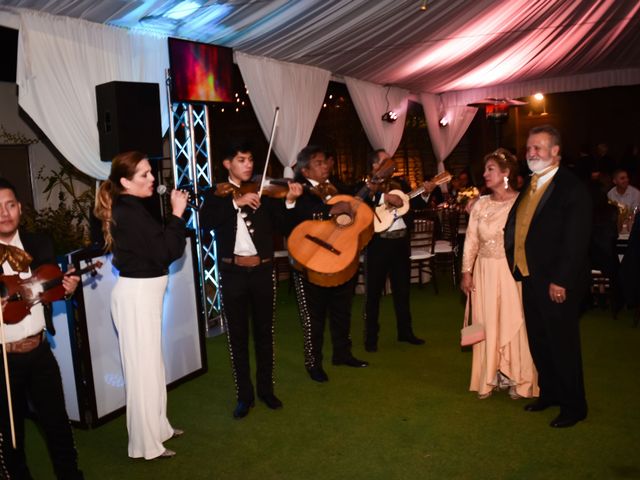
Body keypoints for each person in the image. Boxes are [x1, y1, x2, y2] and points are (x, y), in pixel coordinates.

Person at [94, 151, 188, 459]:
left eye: (150, 172)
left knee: (152, 366)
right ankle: (145, 445)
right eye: (144, 175)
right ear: (125, 182)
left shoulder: (133, 207)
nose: (152, 179)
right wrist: (176, 215)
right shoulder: (129, 211)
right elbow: (165, 250)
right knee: (141, 371)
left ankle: (158, 428)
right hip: (136, 296)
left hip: (144, 294)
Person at [199, 144, 302, 419]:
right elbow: (205, 221)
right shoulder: (216, 194)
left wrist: (290, 201)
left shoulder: (265, 193)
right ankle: (244, 396)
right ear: (227, 163)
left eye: (251, 159)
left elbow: (285, 226)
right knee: (238, 336)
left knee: (264, 333)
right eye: (241, 159)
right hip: (232, 274)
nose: (248, 165)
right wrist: (235, 202)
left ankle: (266, 390)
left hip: (262, 273)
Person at [504, 125, 591, 428]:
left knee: (562, 344)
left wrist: (562, 279)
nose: (531, 153)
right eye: (529, 148)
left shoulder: (572, 188)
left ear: (556, 151)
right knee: (540, 341)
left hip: (556, 282)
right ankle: (550, 393)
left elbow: (576, 240)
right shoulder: (531, 183)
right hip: (531, 277)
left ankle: (574, 406)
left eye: (538, 148)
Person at [0, 178, 84, 479]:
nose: (4, 213)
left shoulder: (40, 244)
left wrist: (69, 287)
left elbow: (50, 288)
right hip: (3, 360)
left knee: (57, 424)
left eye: (10, 205)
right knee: (10, 437)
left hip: (39, 350)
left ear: (20, 208)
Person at [460, 149, 538, 400]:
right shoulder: (480, 204)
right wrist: (466, 272)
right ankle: (489, 375)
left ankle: (517, 376)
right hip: (484, 272)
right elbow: (470, 240)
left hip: (511, 272)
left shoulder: (521, 203)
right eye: (485, 170)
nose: (484, 174)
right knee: (486, 322)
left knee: (514, 321)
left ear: (506, 173)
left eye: (490, 169)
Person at [288, 145, 368, 382]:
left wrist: (367, 192)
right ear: (305, 170)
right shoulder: (297, 192)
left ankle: (342, 353)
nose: (325, 166)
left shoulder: (336, 188)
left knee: (342, 310)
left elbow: (355, 202)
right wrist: (328, 210)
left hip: (339, 258)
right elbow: (297, 217)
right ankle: (314, 363)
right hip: (310, 262)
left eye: (325, 162)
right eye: (319, 163)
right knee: (314, 317)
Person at [362, 149, 432, 352]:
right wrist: (385, 198)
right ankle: (371, 338)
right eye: (385, 162)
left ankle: (405, 332)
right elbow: (364, 201)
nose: (390, 165)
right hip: (378, 245)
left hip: (401, 243)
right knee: (373, 293)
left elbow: (415, 202)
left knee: (402, 290)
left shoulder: (401, 184)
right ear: (375, 166)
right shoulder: (367, 186)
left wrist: (425, 193)